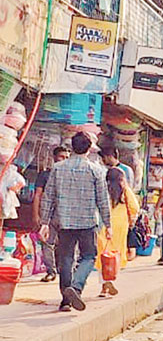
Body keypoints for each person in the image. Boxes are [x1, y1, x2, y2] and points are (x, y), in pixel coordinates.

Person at [38, 132, 111, 312]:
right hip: (87, 222)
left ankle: (66, 301)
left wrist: (44, 222)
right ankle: (76, 287)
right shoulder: (96, 170)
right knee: (88, 256)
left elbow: (48, 196)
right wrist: (108, 224)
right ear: (88, 149)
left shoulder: (58, 168)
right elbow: (102, 199)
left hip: (64, 222)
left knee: (66, 259)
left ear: (72, 147)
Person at [96, 167, 139, 298]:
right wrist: (132, 219)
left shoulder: (102, 189)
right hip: (120, 224)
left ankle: (104, 286)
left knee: (102, 255)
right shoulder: (125, 190)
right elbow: (134, 207)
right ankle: (110, 280)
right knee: (115, 255)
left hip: (104, 224)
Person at [32, 146, 70, 282]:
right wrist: (36, 215)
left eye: (66, 157)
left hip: (67, 214)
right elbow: (37, 195)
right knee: (47, 242)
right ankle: (51, 271)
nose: (64, 160)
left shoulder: (71, 175)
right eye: (61, 157)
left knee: (67, 244)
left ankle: (66, 271)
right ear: (54, 158)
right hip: (49, 215)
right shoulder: (45, 175)